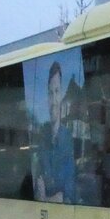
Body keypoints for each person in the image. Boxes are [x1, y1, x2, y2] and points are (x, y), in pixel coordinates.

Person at [34, 60, 76, 203]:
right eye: (50, 93)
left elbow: (68, 196)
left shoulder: (67, 140)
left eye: (57, 92)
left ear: (61, 95)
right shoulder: (43, 140)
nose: (53, 100)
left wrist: (45, 198)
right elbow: (36, 188)